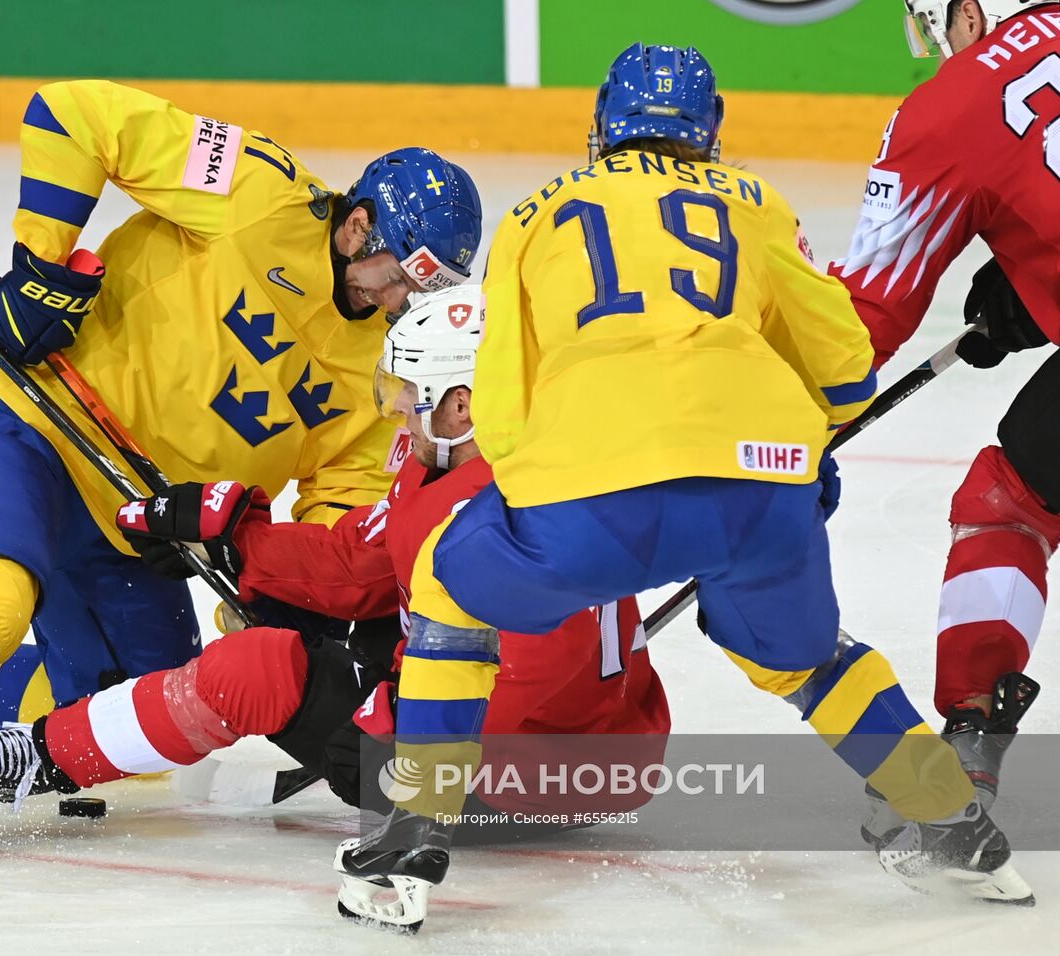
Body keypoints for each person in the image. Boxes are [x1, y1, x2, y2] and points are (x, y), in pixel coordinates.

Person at [338, 43, 1035, 932]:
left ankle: (414, 830)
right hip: (758, 488)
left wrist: (548, 502)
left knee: (449, 582)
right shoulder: (759, 203)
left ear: (601, 130)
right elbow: (847, 368)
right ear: (707, 134)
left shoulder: (533, 217)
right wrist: (787, 462)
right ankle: (954, 824)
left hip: (590, 492)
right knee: (806, 654)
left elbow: (504, 409)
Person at [0, 78, 482, 871]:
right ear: (356, 225)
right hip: (24, 412)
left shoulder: (383, 375)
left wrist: (271, 595)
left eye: (424, 289)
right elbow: (76, 116)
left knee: (141, 711)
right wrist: (39, 267)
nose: (399, 301)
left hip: (134, 516)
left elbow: (334, 518)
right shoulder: (257, 187)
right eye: (397, 275)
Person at [0, 286, 669, 870]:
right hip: (568, 738)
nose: (398, 414)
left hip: (517, 773)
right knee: (298, 623)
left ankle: (39, 755)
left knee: (256, 667)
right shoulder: (491, 468)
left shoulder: (506, 518)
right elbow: (359, 564)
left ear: (462, 406)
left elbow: (536, 685)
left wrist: (396, 735)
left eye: (409, 397)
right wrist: (237, 536)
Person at [829, 0, 1049, 837]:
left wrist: (782, 433)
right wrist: (1037, 289)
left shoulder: (951, 105)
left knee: (1010, 501)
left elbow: (863, 322)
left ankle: (968, 744)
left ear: (969, 13)